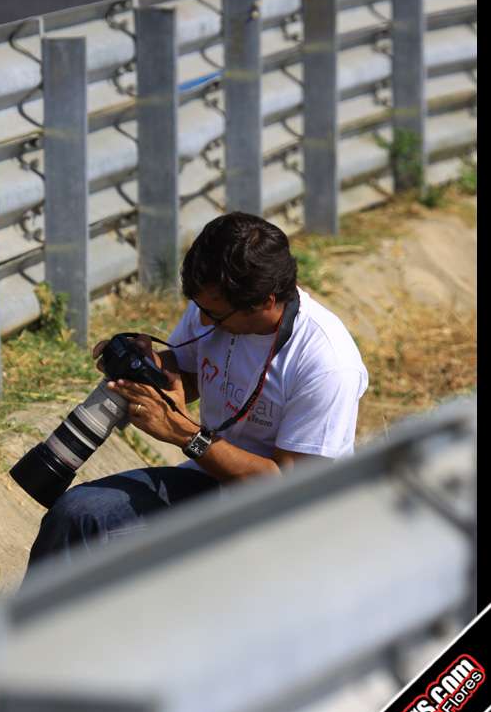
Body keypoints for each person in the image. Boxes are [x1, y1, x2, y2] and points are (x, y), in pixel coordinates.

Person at [23, 211, 368, 572]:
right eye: (199, 307)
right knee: (78, 515)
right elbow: (188, 374)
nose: (202, 320)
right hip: (215, 485)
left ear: (265, 302)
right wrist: (148, 367)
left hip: (288, 527)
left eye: (214, 314)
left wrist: (185, 435)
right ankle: (25, 628)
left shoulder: (326, 362)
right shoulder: (215, 303)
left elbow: (285, 487)